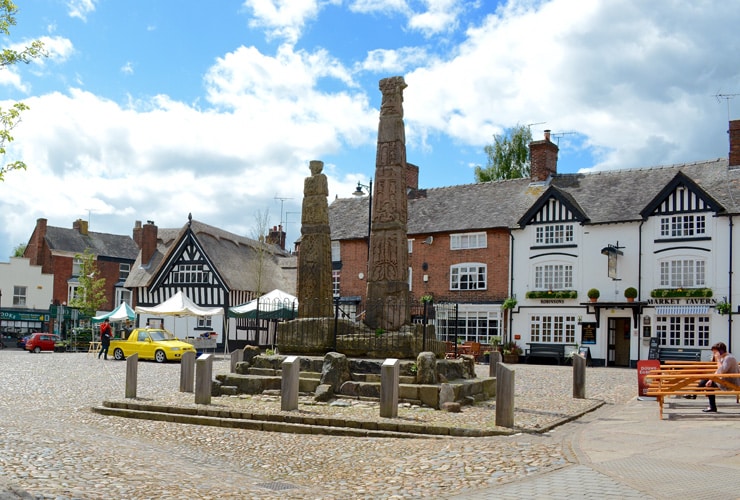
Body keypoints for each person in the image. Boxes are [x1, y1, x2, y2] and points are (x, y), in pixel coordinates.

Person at [700, 342, 739, 413]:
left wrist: (718, 359)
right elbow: (718, 371)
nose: (714, 354)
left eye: (715, 352)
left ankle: (694, 394)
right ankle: (694, 394)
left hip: (730, 383)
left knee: (706, 382)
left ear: (720, 351)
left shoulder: (729, 358)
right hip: (725, 381)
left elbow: (721, 371)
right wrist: (711, 379)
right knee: (707, 382)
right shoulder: (725, 357)